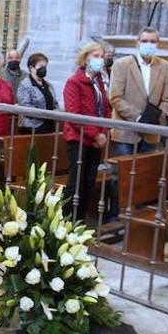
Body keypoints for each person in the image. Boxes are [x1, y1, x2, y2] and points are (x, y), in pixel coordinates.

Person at [62, 41, 112, 222]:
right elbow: (74, 115)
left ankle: (79, 222)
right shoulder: (74, 82)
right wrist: (95, 134)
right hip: (78, 139)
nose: (100, 60)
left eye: (102, 57)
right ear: (85, 59)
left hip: (97, 140)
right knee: (76, 184)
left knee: (89, 183)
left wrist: (104, 132)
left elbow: (105, 109)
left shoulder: (98, 81)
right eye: (96, 56)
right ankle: (65, 222)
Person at [108, 27, 168, 155]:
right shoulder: (122, 64)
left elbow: (166, 99)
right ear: (137, 43)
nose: (149, 44)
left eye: (153, 41)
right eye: (145, 41)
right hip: (126, 131)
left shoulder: (164, 66)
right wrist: (139, 118)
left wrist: (155, 117)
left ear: (158, 44)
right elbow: (115, 97)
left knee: (146, 173)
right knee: (122, 173)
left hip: (151, 132)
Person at [16, 53, 58, 133]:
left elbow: (55, 104)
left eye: (45, 67)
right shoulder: (25, 85)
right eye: (41, 66)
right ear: (31, 68)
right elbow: (25, 107)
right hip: (32, 128)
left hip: (49, 127)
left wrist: (56, 113)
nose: (44, 69)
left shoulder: (48, 85)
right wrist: (46, 114)